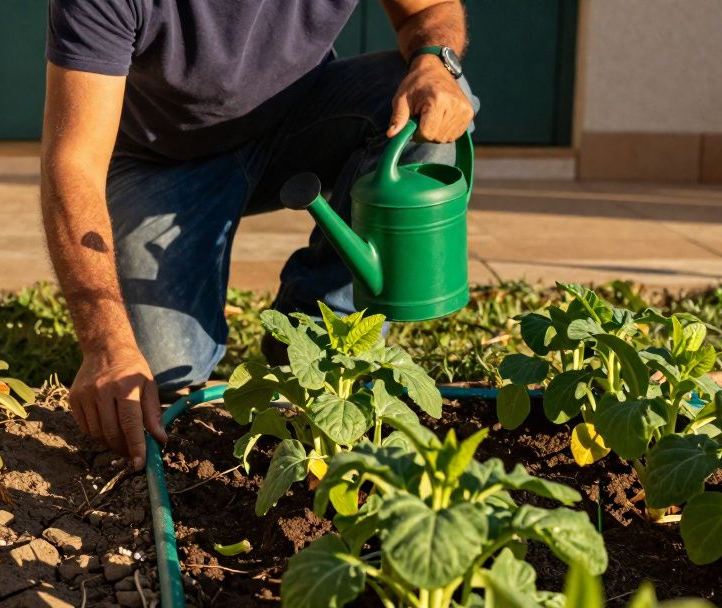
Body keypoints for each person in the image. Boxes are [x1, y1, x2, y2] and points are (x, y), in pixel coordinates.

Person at [42, 0, 477, 469]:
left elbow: (429, 9)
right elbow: (73, 164)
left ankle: (315, 335)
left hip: (301, 120)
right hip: (164, 159)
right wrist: (105, 343)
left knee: (429, 105)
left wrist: (435, 62)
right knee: (163, 370)